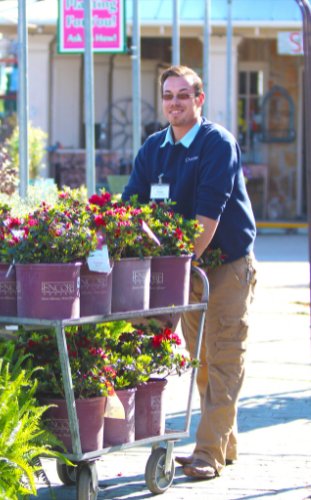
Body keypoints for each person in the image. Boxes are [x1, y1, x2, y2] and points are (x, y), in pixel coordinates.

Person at [121, 65, 257, 479]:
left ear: (199, 100)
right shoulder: (154, 149)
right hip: (186, 268)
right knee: (201, 360)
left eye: (183, 95)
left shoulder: (217, 143)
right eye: (168, 95)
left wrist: (180, 267)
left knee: (224, 356)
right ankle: (224, 442)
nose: (174, 103)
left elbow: (207, 214)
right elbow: (130, 206)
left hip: (225, 264)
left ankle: (209, 453)